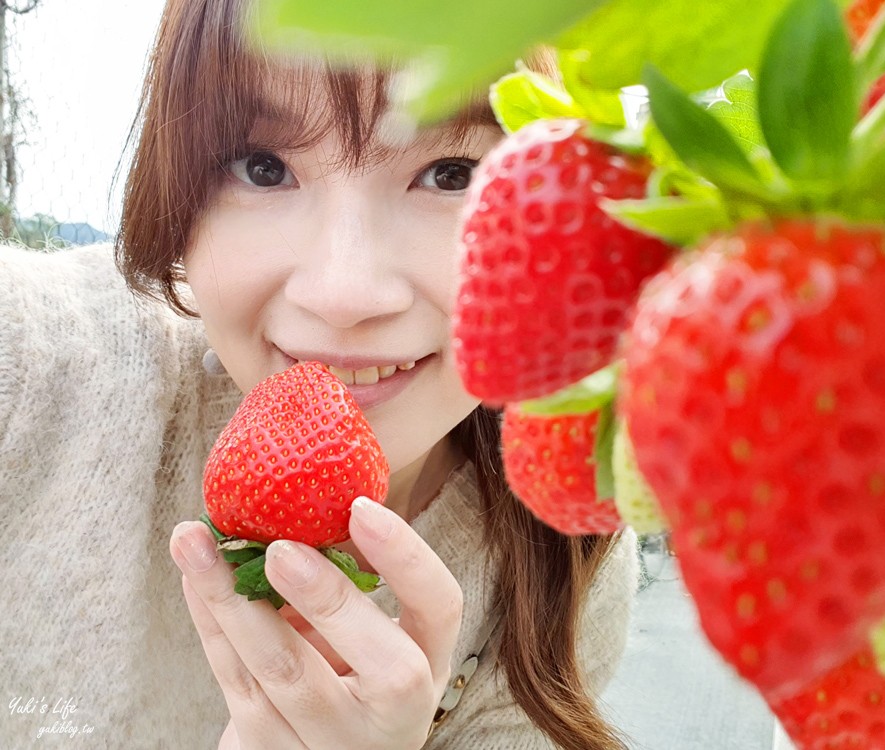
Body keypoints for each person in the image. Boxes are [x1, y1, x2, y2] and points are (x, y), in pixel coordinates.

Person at [0, 0, 639, 748]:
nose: (343, 295)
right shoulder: (36, 372)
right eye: (263, 168)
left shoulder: (560, 548)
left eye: (452, 172)